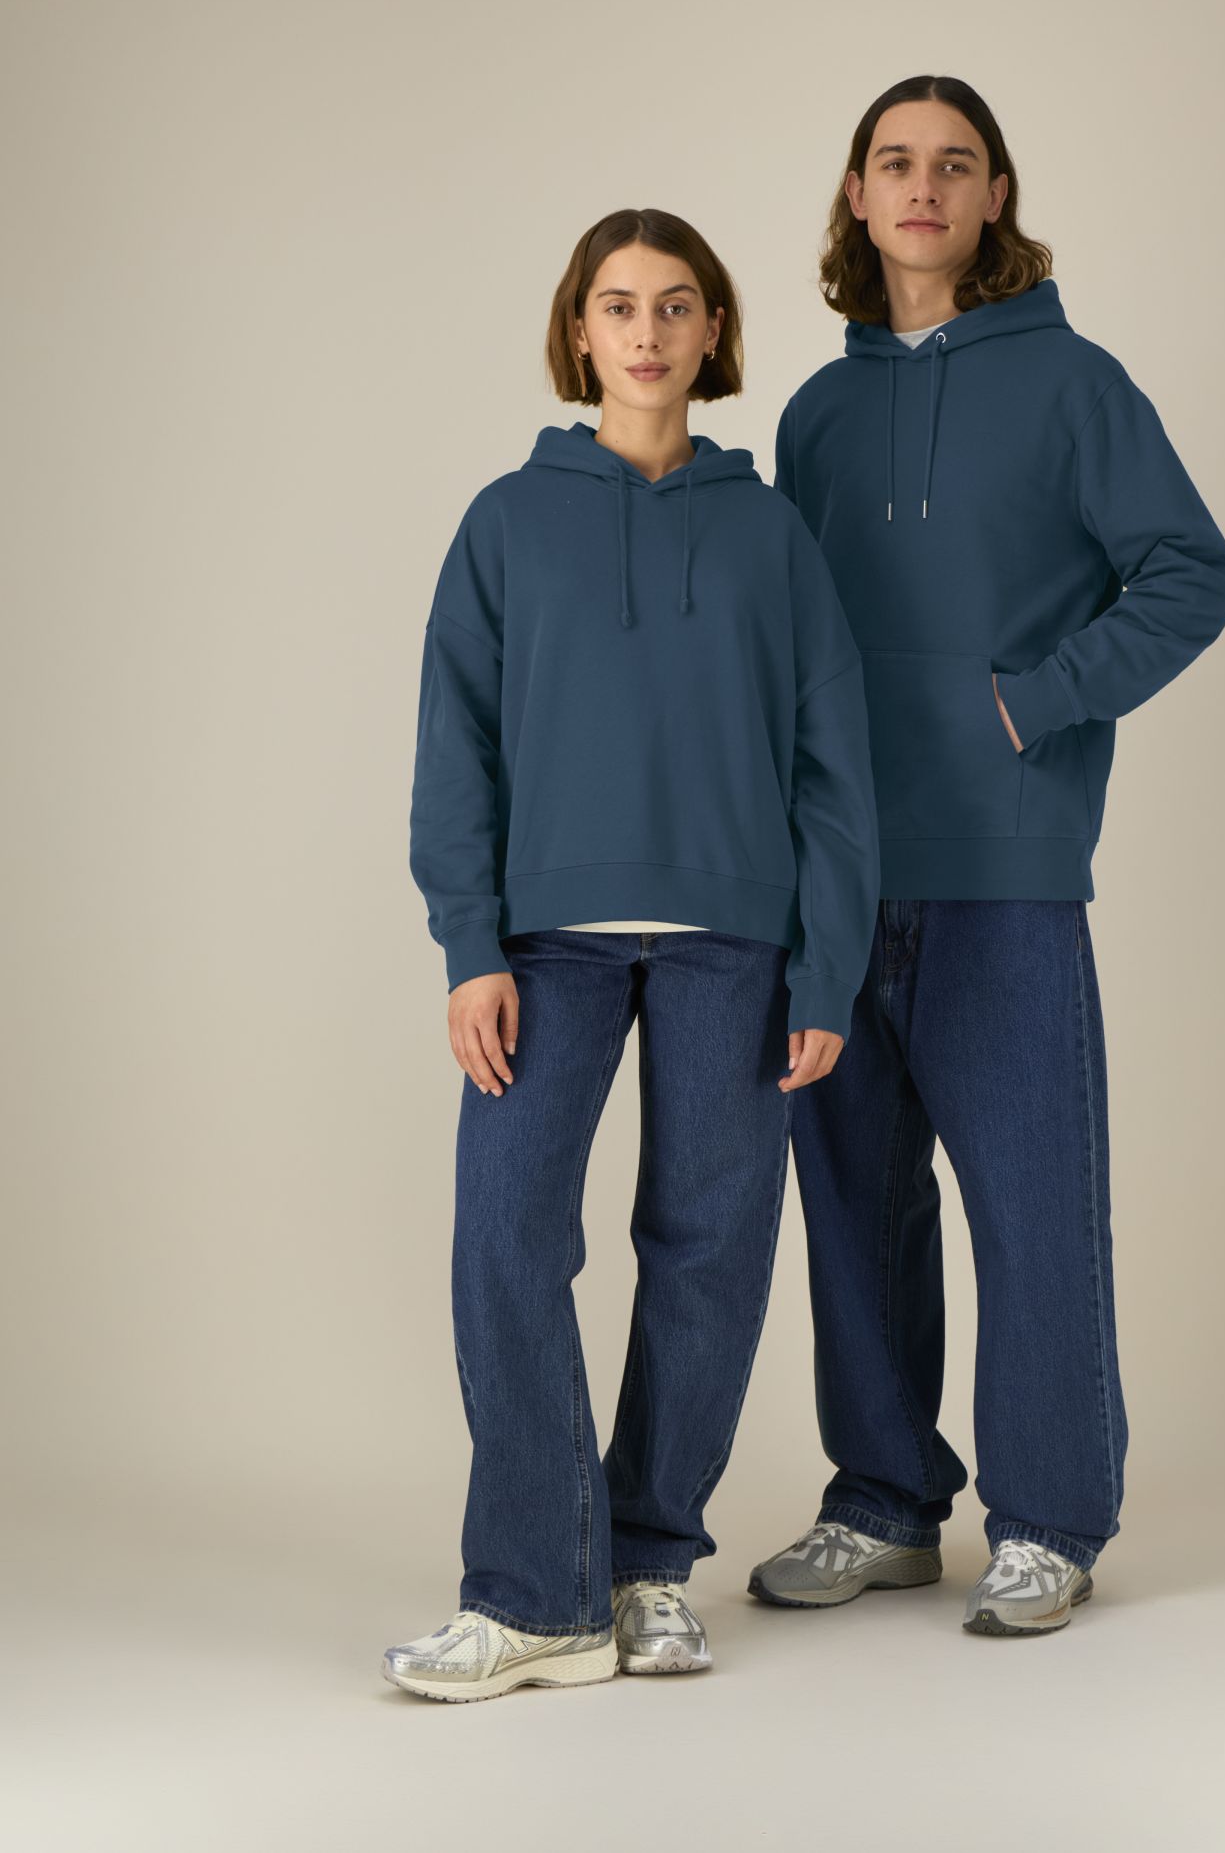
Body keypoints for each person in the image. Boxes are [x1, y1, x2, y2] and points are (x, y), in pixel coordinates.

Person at [748, 75, 1225, 1636]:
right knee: (856, 1210)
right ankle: (885, 1502)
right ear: (855, 192)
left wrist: (1036, 700)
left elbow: (1191, 573)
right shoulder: (815, 416)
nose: (924, 187)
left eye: (955, 164)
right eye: (896, 162)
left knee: (1033, 1207)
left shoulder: (1077, 385)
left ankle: (1049, 1518)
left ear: (995, 195)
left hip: (1009, 868)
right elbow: (792, 643)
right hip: (836, 877)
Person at [385, 209, 880, 1700]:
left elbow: (832, 768)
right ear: (580, 331)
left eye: (676, 305)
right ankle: (537, 1591)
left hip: (737, 943)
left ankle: (651, 1564)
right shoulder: (505, 522)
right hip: (548, 947)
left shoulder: (770, 534)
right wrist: (469, 945)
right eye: (619, 305)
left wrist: (826, 967)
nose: (648, 333)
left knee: (710, 1252)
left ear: (713, 331)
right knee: (506, 1240)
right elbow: (455, 751)